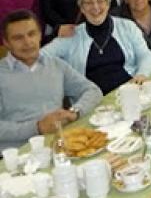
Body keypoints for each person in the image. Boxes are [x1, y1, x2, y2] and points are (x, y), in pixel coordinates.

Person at [0, 10, 103, 151]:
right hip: (19, 153)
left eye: (31, 34)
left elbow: (92, 90)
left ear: (40, 35)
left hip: (62, 144)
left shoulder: (55, 65)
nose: (27, 42)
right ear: (6, 43)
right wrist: (36, 127)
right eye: (18, 38)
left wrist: (75, 112)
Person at [43, 0, 151, 94]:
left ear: (108, 4)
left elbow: (145, 55)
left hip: (129, 91)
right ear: (81, 8)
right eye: (89, 3)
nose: (95, 7)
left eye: (100, 1)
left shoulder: (127, 26)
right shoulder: (72, 35)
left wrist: (142, 74)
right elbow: (40, 56)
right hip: (93, 100)